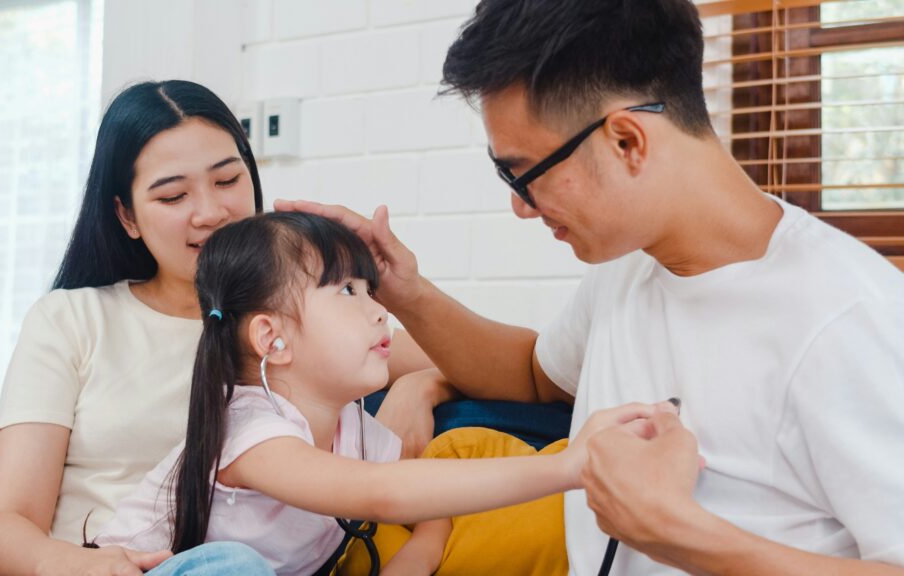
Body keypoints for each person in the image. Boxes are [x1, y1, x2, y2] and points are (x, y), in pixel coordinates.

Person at [277, 0, 904, 574]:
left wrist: (680, 534)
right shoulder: (631, 266)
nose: (522, 208)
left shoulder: (844, 318)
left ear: (627, 140)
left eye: (523, 174)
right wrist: (403, 290)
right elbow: (530, 374)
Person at [0, 80, 434, 576]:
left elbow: (463, 366)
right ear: (126, 216)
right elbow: (4, 525)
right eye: (173, 196)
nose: (212, 213)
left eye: (228, 180)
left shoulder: (295, 328)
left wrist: (419, 388)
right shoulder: (71, 320)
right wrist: (67, 565)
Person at [93, 211, 672, 575]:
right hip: (144, 569)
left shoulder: (352, 427)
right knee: (234, 566)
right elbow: (383, 494)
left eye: (371, 290)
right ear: (272, 338)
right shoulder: (251, 429)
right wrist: (571, 467)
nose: (378, 313)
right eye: (347, 291)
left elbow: (426, 497)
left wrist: (419, 556)